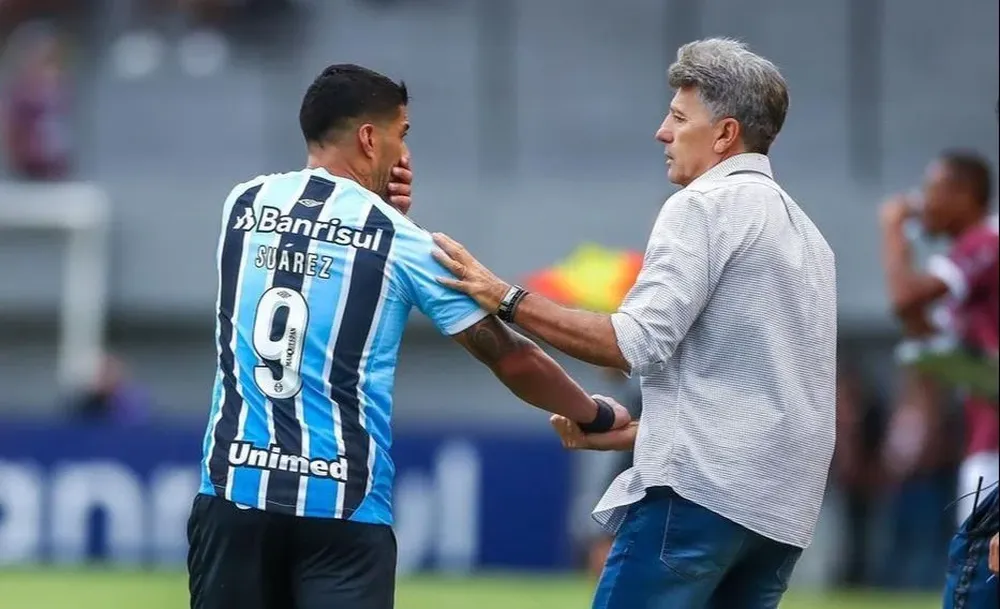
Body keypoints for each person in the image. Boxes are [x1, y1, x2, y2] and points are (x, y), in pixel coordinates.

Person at [186, 64, 629, 609]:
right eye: (403, 133)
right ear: (370, 138)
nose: (405, 152)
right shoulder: (401, 241)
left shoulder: (241, 206)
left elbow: (315, 254)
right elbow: (511, 360)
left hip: (233, 495)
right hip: (343, 509)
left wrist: (378, 208)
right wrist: (593, 414)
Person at [432, 38, 837, 609]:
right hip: (782, 513)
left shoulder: (703, 205)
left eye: (677, 117)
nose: (661, 132)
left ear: (725, 135)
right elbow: (770, 394)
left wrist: (504, 296)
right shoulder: (811, 237)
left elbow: (636, 344)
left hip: (699, 499)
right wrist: (651, 432)